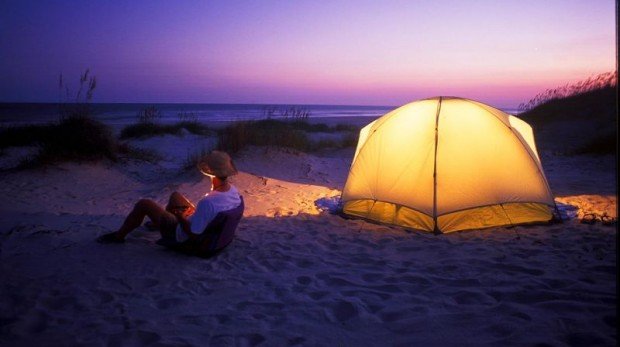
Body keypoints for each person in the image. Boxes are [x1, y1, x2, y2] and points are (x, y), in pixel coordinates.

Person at [97, 151, 241, 244]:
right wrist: (192, 214)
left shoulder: (208, 202)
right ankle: (158, 223)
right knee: (175, 196)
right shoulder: (233, 192)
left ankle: (119, 236)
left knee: (144, 204)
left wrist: (181, 218)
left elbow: (194, 235)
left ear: (210, 172)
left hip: (181, 233)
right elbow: (210, 214)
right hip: (201, 221)